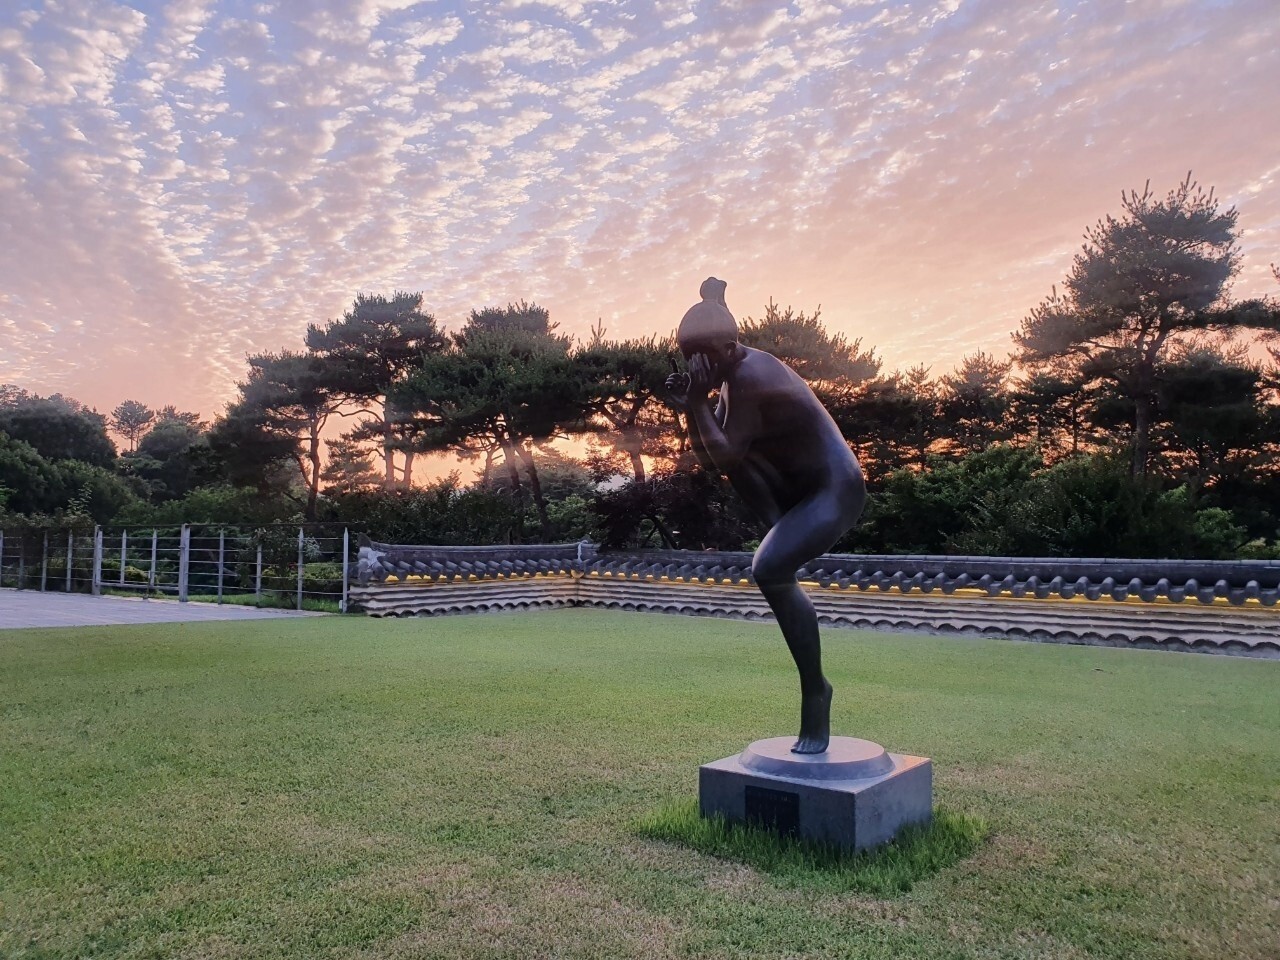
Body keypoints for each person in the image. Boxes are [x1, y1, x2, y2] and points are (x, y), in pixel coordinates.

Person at [665, 277, 866, 753]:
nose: (696, 370)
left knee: (769, 569)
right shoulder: (730, 373)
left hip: (834, 489)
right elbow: (714, 459)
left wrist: (696, 404)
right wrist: (694, 406)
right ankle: (780, 529)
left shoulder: (752, 376)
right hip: (790, 491)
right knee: (737, 472)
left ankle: (816, 690)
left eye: (701, 360)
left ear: (727, 349)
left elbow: (726, 453)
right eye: (688, 361)